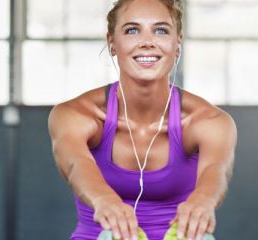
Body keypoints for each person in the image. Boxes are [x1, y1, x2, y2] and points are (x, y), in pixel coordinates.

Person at [48, 0, 237, 239]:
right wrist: (105, 199)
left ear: (177, 43)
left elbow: (216, 169)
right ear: (112, 43)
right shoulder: (76, 114)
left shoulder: (209, 121)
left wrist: (203, 200)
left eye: (160, 30)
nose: (147, 42)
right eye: (132, 30)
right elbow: (75, 164)